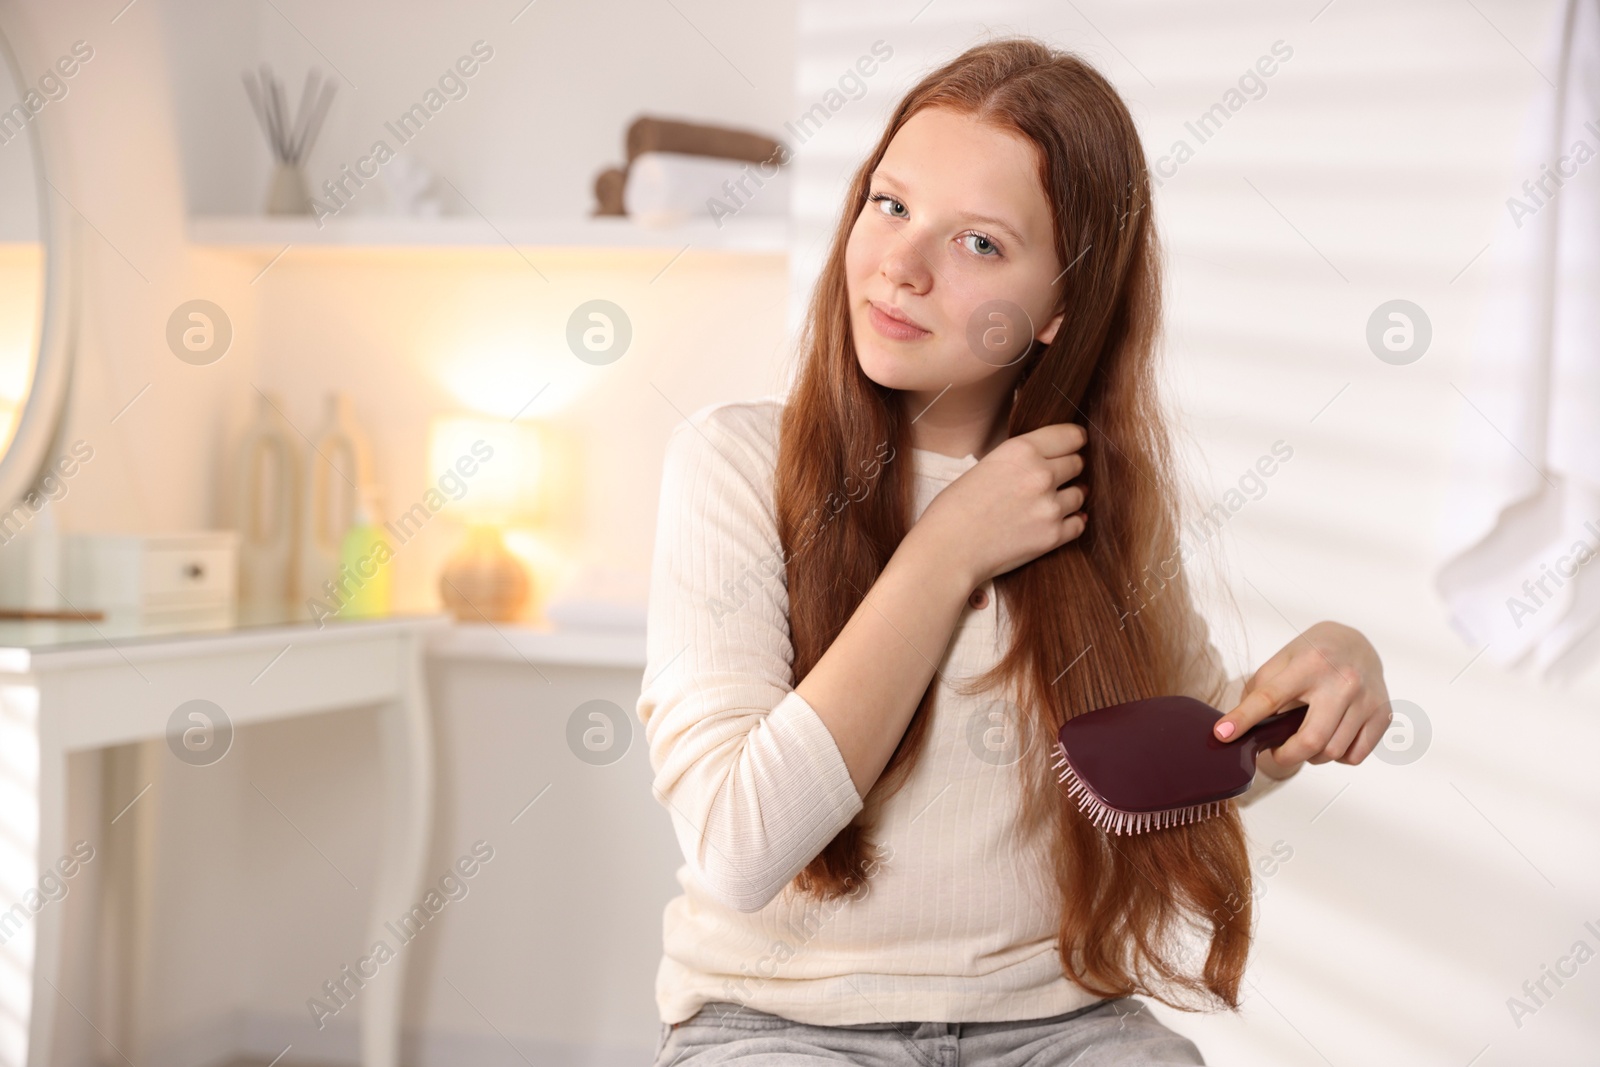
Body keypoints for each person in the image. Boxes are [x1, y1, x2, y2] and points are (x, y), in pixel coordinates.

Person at [636, 36, 1390, 1066]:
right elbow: (737, 847)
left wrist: (1316, 686)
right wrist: (945, 553)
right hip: (778, 1023)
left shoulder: (1095, 501)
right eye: (889, 204)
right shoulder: (735, 464)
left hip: (1059, 1025)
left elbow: (1189, 747)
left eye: (978, 243)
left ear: (1061, 308)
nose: (898, 266)